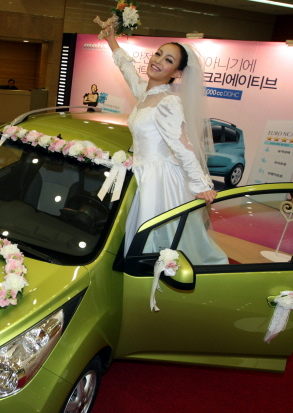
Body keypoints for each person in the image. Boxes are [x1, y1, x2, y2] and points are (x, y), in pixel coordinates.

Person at [101, 27, 227, 264]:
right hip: (143, 172)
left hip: (158, 180)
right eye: (158, 54)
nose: (158, 61)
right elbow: (128, 71)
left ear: (177, 73)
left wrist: (201, 185)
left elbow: (182, 145)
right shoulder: (147, 93)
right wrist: (112, 41)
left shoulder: (168, 101)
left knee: (156, 240)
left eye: (168, 60)